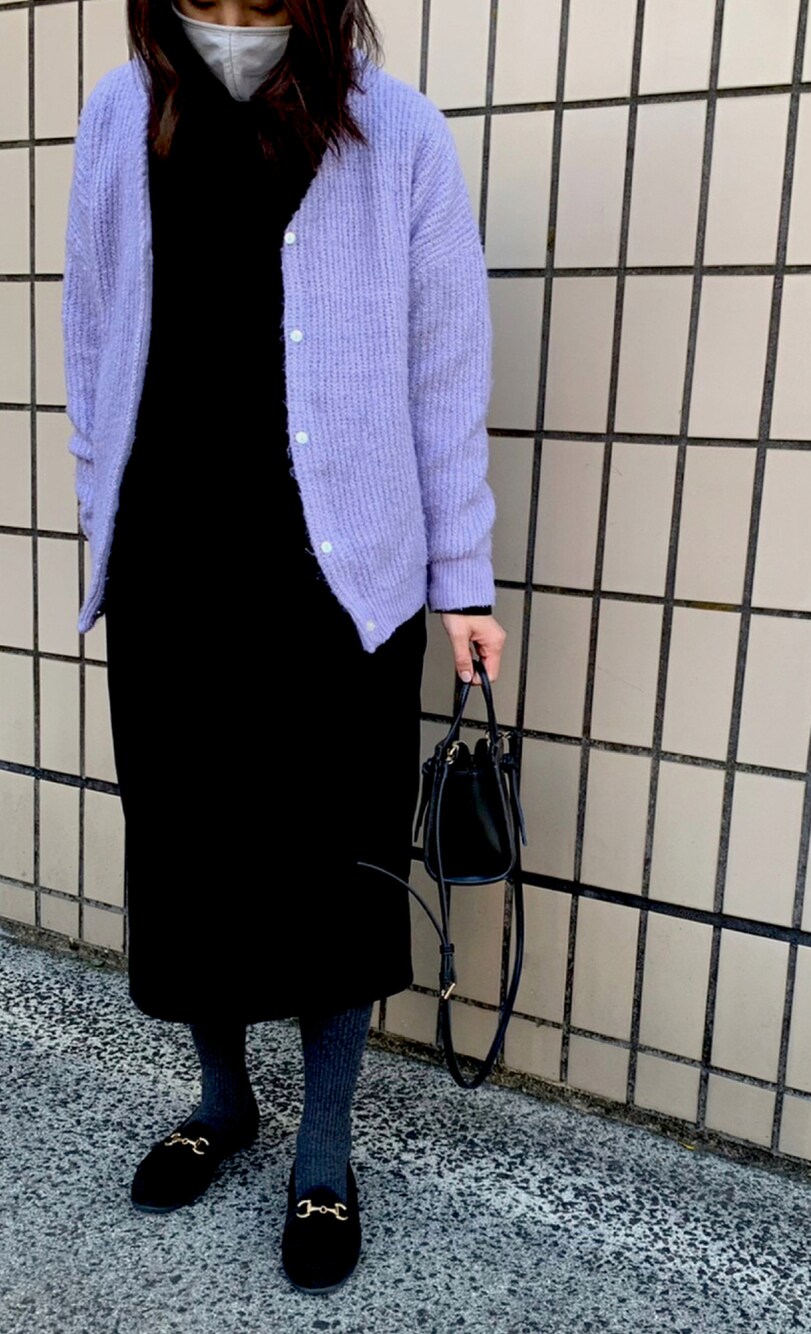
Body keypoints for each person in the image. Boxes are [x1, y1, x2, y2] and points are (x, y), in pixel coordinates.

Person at [60, 0, 506, 1294]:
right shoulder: (120, 114)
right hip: (171, 562)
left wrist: (462, 577)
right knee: (188, 845)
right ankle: (222, 1099)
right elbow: (93, 327)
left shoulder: (398, 131)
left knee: (331, 863)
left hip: (342, 575)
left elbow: (444, 364)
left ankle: (323, 1143)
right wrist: (101, 512)